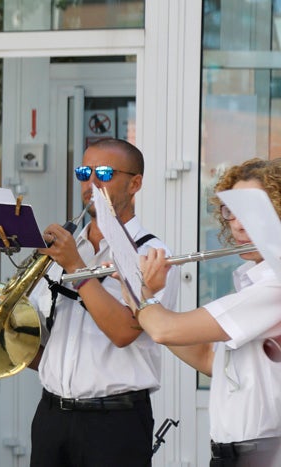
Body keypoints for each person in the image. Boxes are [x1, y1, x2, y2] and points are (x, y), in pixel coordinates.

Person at [26, 138, 181, 466]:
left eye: (105, 173)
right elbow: (48, 342)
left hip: (114, 423)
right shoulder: (67, 249)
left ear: (135, 183)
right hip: (51, 415)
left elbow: (124, 332)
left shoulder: (151, 255)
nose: (92, 183)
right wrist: (2, 342)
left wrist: (74, 267)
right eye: (84, 172)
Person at [132, 158, 281, 467]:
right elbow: (207, 358)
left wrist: (140, 290)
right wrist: (144, 298)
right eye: (231, 212)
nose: (238, 224)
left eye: (251, 213)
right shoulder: (251, 279)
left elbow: (163, 329)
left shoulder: (276, 285)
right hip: (234, 454)